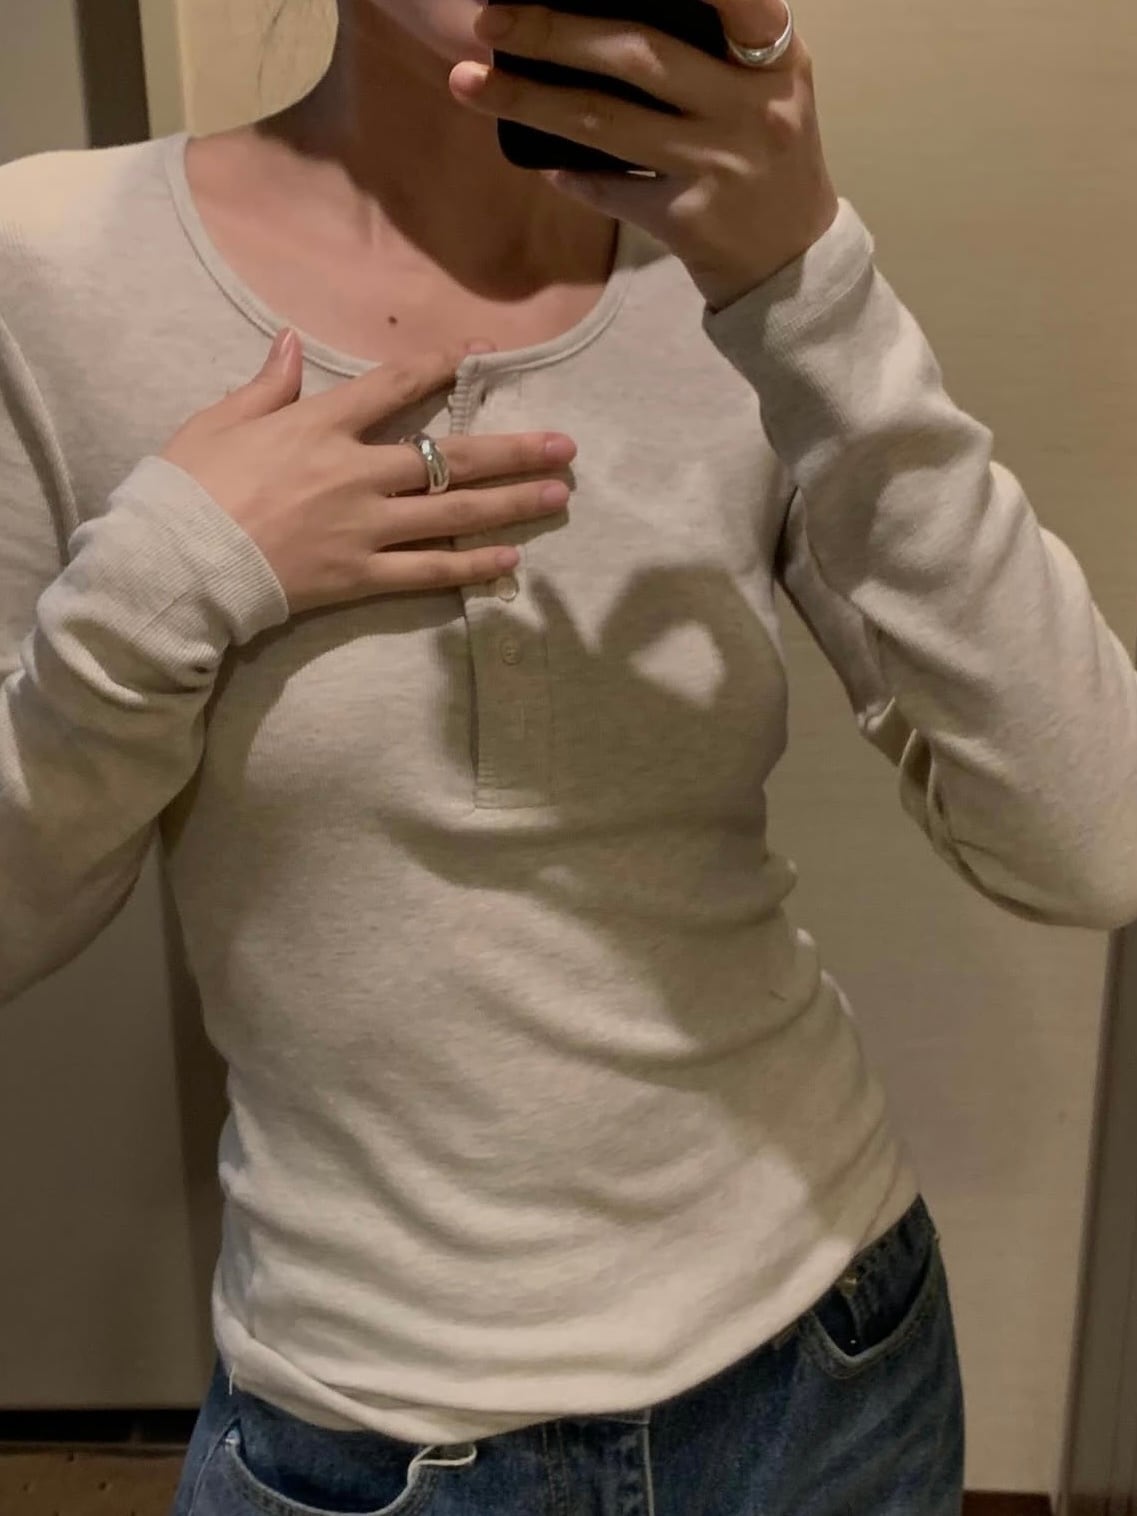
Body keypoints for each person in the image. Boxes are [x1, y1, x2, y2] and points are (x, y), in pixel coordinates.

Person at [1, 0, 1134, 1511]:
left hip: (831, 1371)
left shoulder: (740, 271)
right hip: (361, 1432)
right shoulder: (48, 263)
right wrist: (170, 578)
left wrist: (810, 289)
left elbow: (1093, 844)